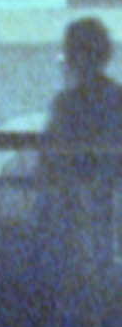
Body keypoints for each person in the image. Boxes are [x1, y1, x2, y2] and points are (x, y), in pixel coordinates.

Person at [38, 17, 122, 257]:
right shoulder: (117, 98)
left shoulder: (66, 103)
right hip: (110, 192)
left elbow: (50, 152)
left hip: (72, 198)